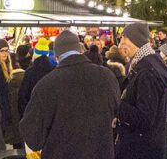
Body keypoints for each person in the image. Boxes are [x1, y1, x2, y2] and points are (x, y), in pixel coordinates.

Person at [20, 30, 119, 159]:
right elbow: (116, 114)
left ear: (56, 56)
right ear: (81, 51)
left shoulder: (46, 85)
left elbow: (33, 137)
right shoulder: (107, 76)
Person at [115, 22, 167, 159]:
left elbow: (145, 118)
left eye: (124, 38)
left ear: (135, 40)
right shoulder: (146, 63)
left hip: (141, 148)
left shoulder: (147, 71)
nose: (121, 44)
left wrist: (116, 105)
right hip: (146, 144)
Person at [18, 38, 55, 116]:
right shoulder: (55, 71)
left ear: (35, 55)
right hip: (51, 117)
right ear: (47, 54)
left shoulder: (29, 73)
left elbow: (22, 97)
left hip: (33, 115)